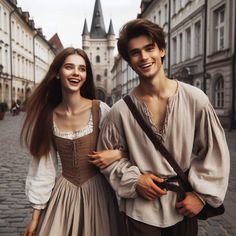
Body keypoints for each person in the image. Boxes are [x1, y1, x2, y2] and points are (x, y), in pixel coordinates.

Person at [97, 19, 230, 236]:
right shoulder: (119, 111)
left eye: (149, 48)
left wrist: (200, 197)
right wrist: (135, 180)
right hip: (140, 213)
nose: (144, 57)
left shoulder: (196, 99)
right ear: (129, 62)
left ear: (161, 50)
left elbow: (215, 151)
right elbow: (106, 159)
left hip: (182, 208)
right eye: (135, 53)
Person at [21, 47, 124, 236]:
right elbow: (43, 167)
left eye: (82, 69)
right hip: (64, 193)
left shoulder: (100, 110)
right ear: (57, 73)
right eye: (69, 67)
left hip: (99, 195)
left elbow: (128, 146)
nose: (76, 73)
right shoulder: (48, 116)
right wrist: (35, 217)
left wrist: (118, 153)